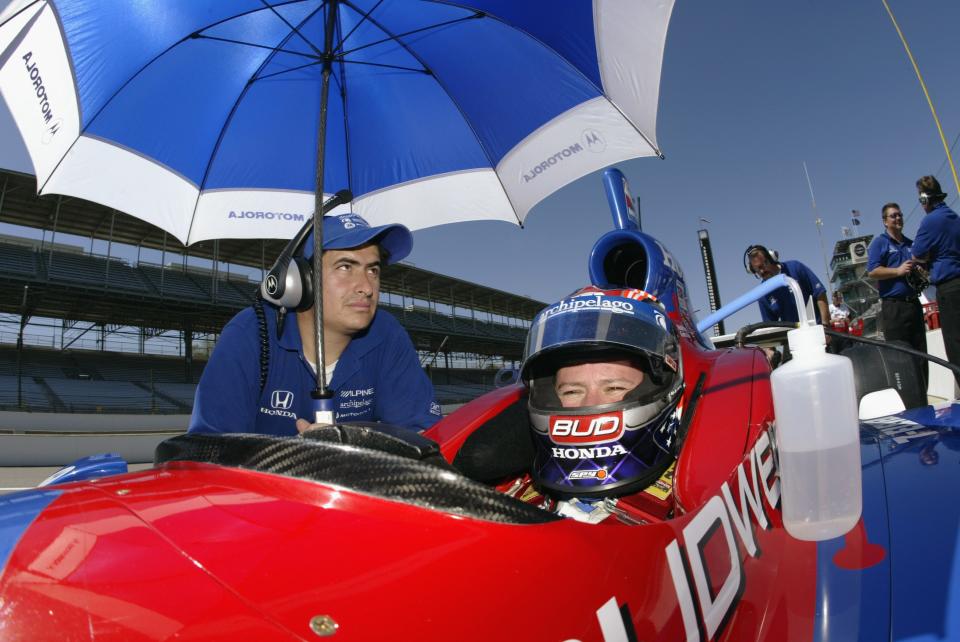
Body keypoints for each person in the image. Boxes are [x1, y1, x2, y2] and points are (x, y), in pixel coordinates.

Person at [189, 213, 441, 435]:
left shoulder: (387, 334)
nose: (366, 287)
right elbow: (209, 452)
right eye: (345, 267)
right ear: (300, 281)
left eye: (373, 270)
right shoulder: (249, 333)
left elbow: (424, 437)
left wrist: (354, 451)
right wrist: (301, 463)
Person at [501, 287, 685, 524]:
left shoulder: (699, 489)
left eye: (615, 388)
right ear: (549, 394)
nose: (591, 403)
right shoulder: (511, 490)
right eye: (572, 391)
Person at [867, 202, 927, 383]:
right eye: (893, 216)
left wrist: (922, 274)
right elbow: (873, 271)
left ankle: (923, 394)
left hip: (913, 305)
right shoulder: (880, 243)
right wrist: (897, 271)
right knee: (900, 357)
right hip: (894, 308)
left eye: (900, 214)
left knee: (921, 355)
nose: (898, 218)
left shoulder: (911, 244)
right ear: (885, 221)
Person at [912, 175, 960, 382]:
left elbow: (917, 254)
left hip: (949, 289)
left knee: (955, 345)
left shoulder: (929, 221)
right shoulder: (954, 216)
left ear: (924, 200)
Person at [744, 245, 829, 324]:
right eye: (757, 270)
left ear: (771, 258)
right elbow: (770, 325)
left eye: (763, 265)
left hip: (817, 329)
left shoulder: (795, 268)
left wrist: (825, 326)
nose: (761, 271)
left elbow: (820, 294)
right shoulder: (763, 293)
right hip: (793, 336)